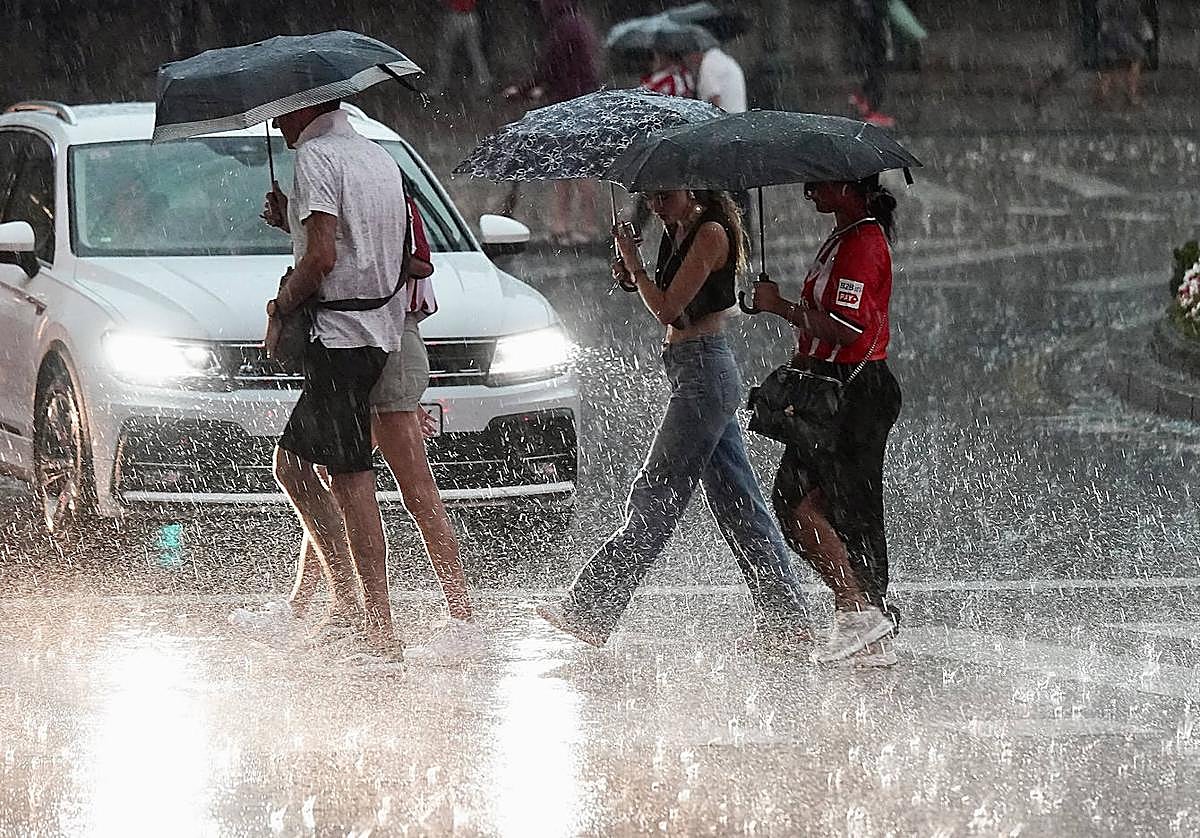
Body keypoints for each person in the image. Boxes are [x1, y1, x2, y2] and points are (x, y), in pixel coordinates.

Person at [537, 189, 809, 647]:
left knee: (657, 492)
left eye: (665, 195)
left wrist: (636, 266)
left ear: (691, 187)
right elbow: (666, 302)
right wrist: (631, 273)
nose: (656, 204)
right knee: (738, 504)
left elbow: (669, 309)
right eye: (650, 197)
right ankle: (787, 618)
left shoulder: (711, 233)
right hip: (692, 372)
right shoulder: (676, 230)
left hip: (704, 375)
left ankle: (590, 608)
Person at [254, 190, 484, 665]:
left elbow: (414, 262)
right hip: (367, 343)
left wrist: (296, 291)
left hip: (392, 341)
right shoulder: (362, 189)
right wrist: (295, 224)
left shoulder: (387, 193)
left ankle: (461, 620)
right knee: (336, 481)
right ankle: (307, 606)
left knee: (414, 488)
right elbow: (351, 248)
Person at [259, 100, 410, 665]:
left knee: (348, 478)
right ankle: (353, 604)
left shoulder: (317, 156)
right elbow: (363, 243)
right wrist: (292, 219)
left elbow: (322, 256)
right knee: (300, 465)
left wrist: (280, 304)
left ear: (308, 107)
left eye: (283, 111)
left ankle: (373, 622)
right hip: (377, 332)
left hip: (342, 339)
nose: (277, 122)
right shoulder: (376, 155)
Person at [751, 175, 902, 668]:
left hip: (855, 393)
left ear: (848, 185)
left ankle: (859, 610)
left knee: (814, 504)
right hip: (832, 388)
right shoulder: (844, 235)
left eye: (818, 183)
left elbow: (846, 328)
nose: (808, 191)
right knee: (826, 505)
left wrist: (780, 308)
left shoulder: (862, 243)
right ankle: (869, 625)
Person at [503, 0, 601, 245]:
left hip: (569, 105)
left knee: (573, 167)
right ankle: (566, 224)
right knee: (572, 166)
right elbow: (567, 69)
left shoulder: (563, 28)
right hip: (581, 102)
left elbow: (548, 69)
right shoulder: (578, 23)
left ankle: (579, 225)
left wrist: (522, 90)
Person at [844, 0, 895, 128]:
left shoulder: (867, 11)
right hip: (875, 48)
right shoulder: (872, 12)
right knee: (877, 78)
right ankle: (868, 109)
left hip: (873, 47)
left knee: (875, 77)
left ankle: (865, 104)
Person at [426, 0, 493, 96]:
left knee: (444, 51)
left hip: (455, 16)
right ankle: (484, 81)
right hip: (471, 15)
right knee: (475, 52)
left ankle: (439, 84)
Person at [1095, 0, 1151, 109]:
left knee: (1110, 63)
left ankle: (1105, 94)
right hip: (1118, 32)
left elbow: (1102, 11)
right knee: (1134, 59)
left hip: (1115, 31)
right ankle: (1130, 94)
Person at [687, 45, 746, 113]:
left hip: (725, 116)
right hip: (738, 113)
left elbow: (714, 98)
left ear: (694, 55)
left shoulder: (708, 64)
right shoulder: (725, 60)